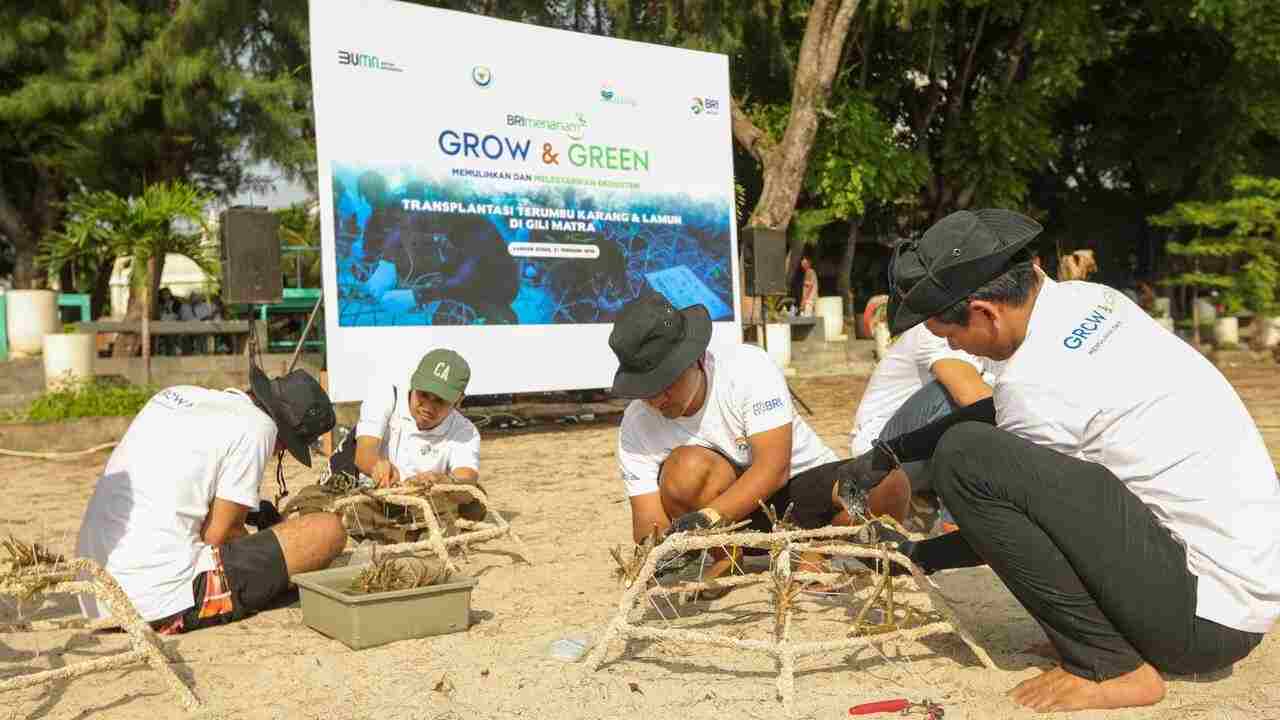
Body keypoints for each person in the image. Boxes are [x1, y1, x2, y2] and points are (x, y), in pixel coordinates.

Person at [834, 209, 1278, 712]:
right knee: (972, 445)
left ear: (986, 312)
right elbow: (998, 416)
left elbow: (1016, 521)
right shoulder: (1093, 301)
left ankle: (1110, 664)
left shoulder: (1034, 387)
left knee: (964, 457)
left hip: (1199, 624)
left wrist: (920, 557)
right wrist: (893, 452)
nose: (950, 345)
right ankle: (1114, 636)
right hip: (1241, 594)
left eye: (948, 334)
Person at [609, 293, 865, 580]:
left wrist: (706, 519)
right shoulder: (636, 423)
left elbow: (774, 469)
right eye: (646, 389)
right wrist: (659, 555)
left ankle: (817, 548)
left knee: (883, 484)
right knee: (685, 468)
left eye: (666, 382)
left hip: (801, 485)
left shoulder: (747, 368)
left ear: (697, 359)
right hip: (740, 524)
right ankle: (727, 558)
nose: (657, 399)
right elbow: (648, 523)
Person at [75, 368, 346, 634]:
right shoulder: (259, 427)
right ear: (283, 435)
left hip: (95, 591)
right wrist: (278, 542)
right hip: (155, 600)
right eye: (284, 448)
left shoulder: (175, 395)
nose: (277, 453)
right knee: (327, 531)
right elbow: (219, 535)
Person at [286, 349, 485, 537]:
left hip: (416, 501)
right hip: (366, 488)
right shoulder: (387, 397)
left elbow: (465, 479)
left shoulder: (465, 431)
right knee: (317, 505)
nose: (428, 406)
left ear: (459, 401)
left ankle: (391, 530)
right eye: (423, 394)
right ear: (413, 384)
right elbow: (364, 453)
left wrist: (440, 480)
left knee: (474, 501)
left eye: (440, 401)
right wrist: (377, 467)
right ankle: (397, 531)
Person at [849, 321, 992, 526]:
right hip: (881, 456)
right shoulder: (939, 327)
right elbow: (973, 397)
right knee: (956, 399)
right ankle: (957, 526)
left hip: (923, 457)